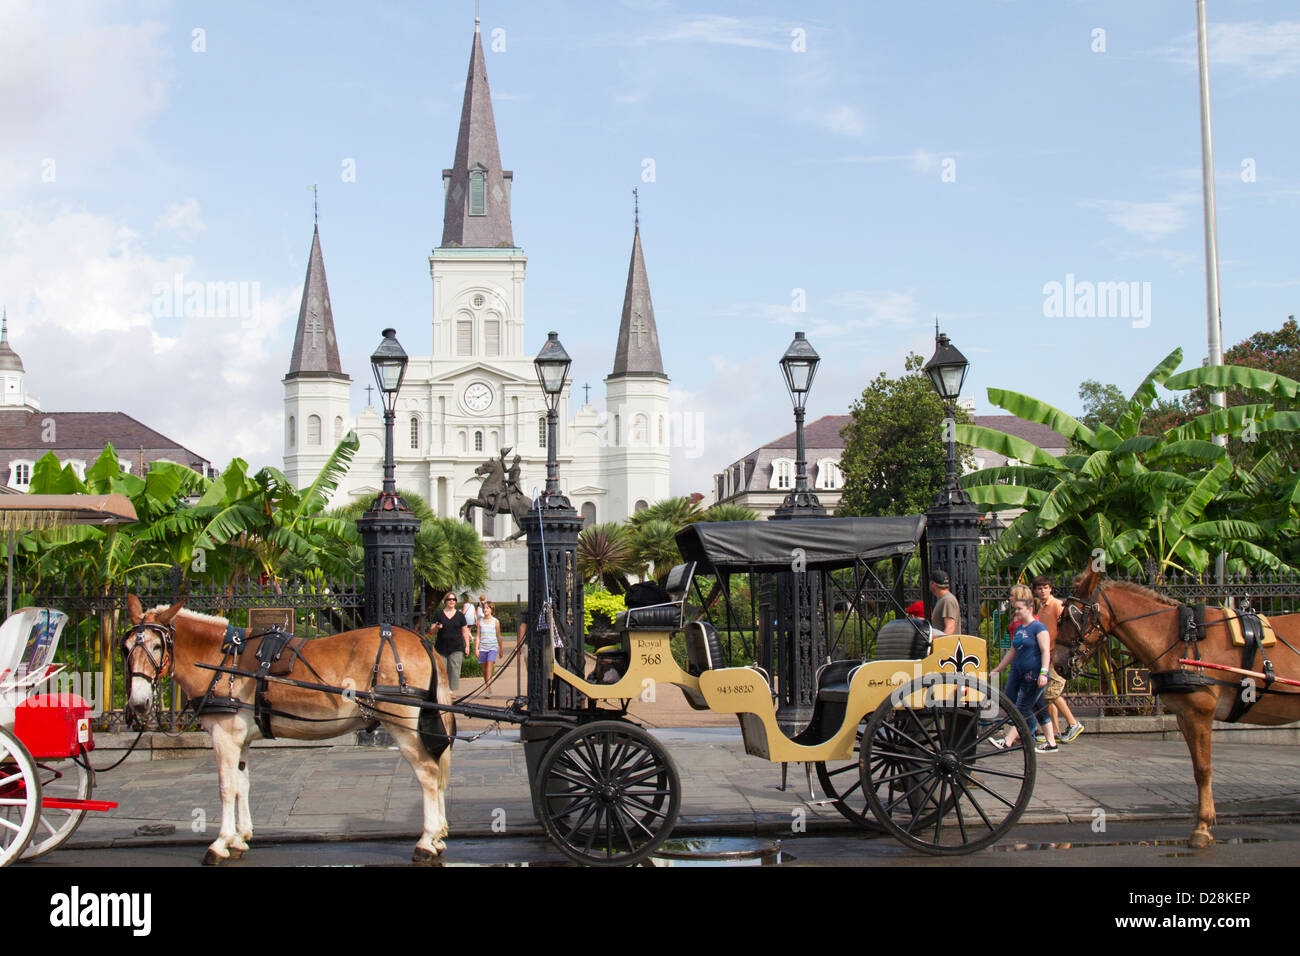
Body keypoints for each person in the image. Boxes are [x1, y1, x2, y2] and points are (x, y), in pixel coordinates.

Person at [990, 593, 1057, 753]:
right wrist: (998, 668)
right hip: (1019, 671)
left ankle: (1008, 741)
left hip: (1033, 674)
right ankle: (1051, 743)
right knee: (1038, 706)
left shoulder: (1038, 628)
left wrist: (1043, 672)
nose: (1017, 612)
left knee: (1023, 707)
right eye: (1016, 609)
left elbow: (1045, 651)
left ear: (1030, 609)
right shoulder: (1020, 628)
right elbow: (1013, 651)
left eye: (1020, 609)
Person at [1033, 575, 1084, 743]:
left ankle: (1073, 723)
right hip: (1046, 654)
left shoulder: (1057, 605)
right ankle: (1054, 730)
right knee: (1048, 694)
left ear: (1050, 589)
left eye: (1045, 587)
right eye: (1039, 588)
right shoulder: (1040, 608)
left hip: (1057, 654)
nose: (1042, 591)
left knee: (1051, 693)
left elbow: (1067, 627)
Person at [429, 592, 471, 691]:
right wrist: (437, 627)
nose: (452, 601)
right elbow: (432, 631)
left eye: (454, 599)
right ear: (445, 601)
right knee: (441, 670)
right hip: (441, 647)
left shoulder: (460, 615)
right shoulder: (439, 614)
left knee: (454, 670)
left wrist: (467, 645)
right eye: (449, 599)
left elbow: (465, 631)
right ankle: (442, 689)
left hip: (456, 647)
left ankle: (451, 691)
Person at [476, 601, 501, 696]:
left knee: (489, 668)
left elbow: (499, 636)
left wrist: (501, 649)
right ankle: (487, 685)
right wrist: (476, 649)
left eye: (487, 608)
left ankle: (488, 688)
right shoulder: (480, 621)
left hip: (492, 647)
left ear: (491, 610)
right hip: (483, 647)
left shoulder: (496, 621)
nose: (485, 610)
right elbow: (478, 636)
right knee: (484, 670)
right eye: (484, 608)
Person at [928, 570, 960, 635]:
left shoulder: (948, 600)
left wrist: (942, 644)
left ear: (933, 584)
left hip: (948, 644)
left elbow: (950, 627)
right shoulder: (943, 599)